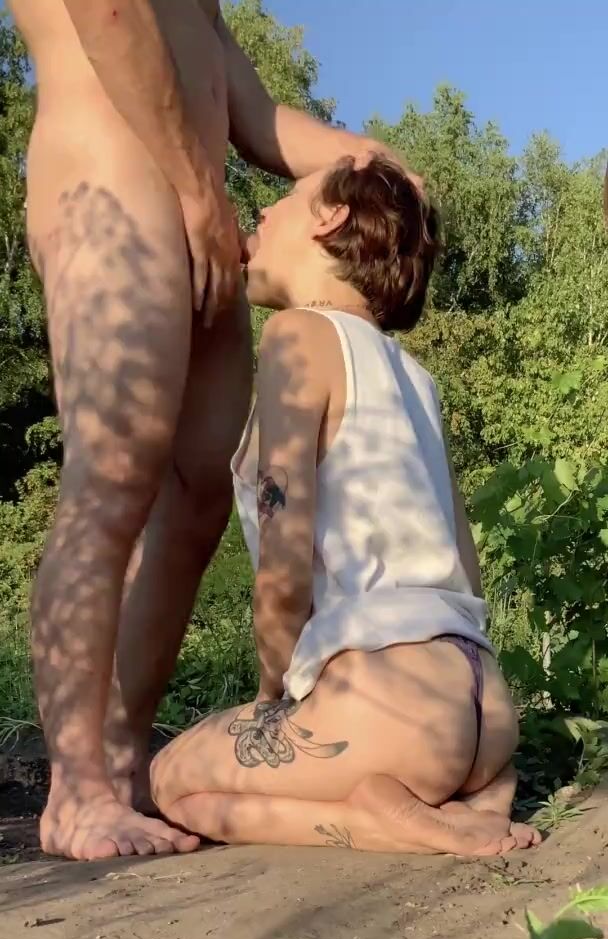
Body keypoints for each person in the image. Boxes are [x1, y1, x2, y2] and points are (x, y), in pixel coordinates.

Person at [11, 0, 410, 861]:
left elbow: (249, 110)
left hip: (197, 201)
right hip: (112, 178)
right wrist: (196, 187)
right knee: (112, 474)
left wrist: (370, 159)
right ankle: (75, 788)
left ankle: (121, 760)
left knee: (198, 494)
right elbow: (108, 13)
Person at [150, 155, 542, 857]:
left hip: (389, 707)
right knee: (212, 793)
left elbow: (284, 560)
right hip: (483, 707)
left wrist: (275, 697)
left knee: (171, 781)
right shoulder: (415, 380)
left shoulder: (297, 336)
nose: (261, 215)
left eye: (282, 200)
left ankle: (381, 816)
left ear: (330, 217)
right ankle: (469, 793)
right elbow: (468, 568)